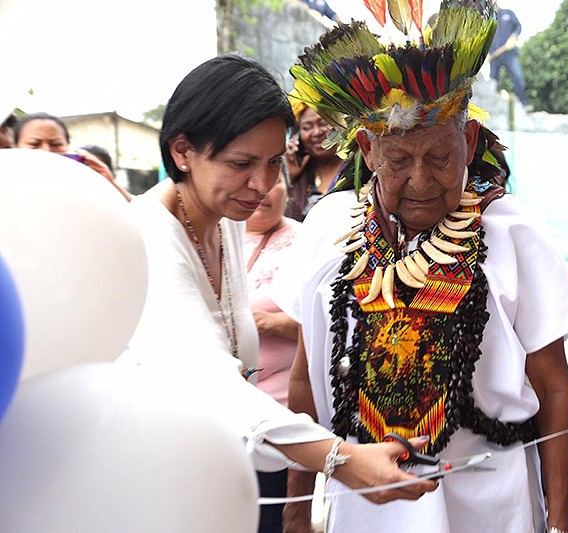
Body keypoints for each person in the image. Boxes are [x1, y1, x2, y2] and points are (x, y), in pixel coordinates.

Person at [277, 2, 568, 532]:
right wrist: (294, 513)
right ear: (367, 150)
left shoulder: (512, 233)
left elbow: (555, 391)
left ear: (469, 142)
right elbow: (304, 384)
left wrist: (559, 524)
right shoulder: (328, 229)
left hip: (495, 511)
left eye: (441, 158)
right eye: (399, 162)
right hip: (364, 513)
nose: (422, 182)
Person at [118, 52, 438, 512]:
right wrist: (344, 459)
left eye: (274, 161)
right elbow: (214, 386)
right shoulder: (148, 240)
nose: (262, 184)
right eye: (241, 163)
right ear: (182, 151)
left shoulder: (222, 214)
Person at [243, 162, 302, 532]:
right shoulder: (214, 235)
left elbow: (329, 322)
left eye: (275, 178)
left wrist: (269, 323)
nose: (264, 189)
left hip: (277, 414)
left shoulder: (305, 241)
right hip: (219, 415)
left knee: (268, 519)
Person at [14, 112, 132, 201]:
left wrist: (110, 184)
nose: (46, 151)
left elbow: (140, 219)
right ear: (15, 147)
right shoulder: (7, 187)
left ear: (67, 145)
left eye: (55, 144)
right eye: (34, 144)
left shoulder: (84, 188)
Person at [284, 92, 344, 221]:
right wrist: (289, 177)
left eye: (322, 123)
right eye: (306, 128)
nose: (316, 132)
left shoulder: (358, 166)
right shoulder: (299, 174)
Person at [487, 1, 529, 110]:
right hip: (494, 57)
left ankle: (524, 104)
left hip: (509, 54)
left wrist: (514, 36)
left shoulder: (508, 13)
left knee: (517, 77)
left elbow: (518, 26)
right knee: (493, 82)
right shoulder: (487, 19)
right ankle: (492, 106)